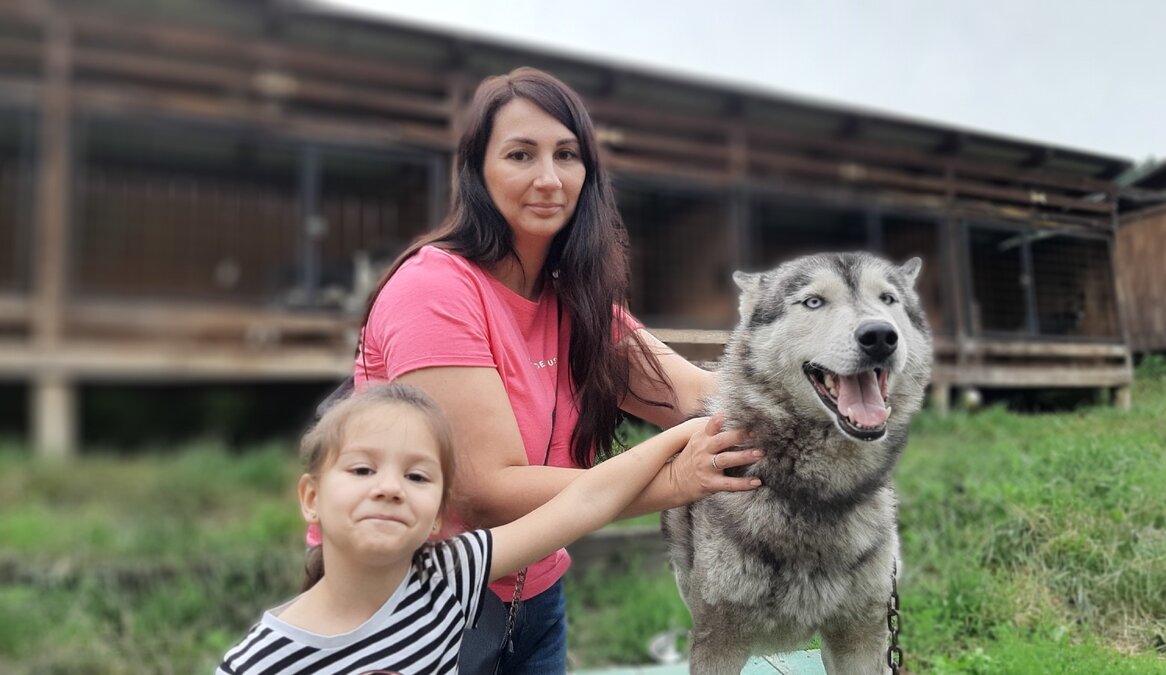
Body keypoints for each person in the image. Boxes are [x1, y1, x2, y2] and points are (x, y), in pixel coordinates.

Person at [341, 67, 762, 672]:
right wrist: (675, 481)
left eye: (567, 155)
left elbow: (694, 394)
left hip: (533, 593)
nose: (548, 178)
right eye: (520, 154)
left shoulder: (574, 296)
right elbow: (485, 491)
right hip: (416, 599)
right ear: (476, 172)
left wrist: (813, 406)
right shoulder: (434, 289)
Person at [218, 383, 760, 674]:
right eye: (362, 469)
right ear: (311, 499)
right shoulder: (262, 661)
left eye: (416, 475)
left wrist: (682, 438)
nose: (389, 487)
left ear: (437, 516)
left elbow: (584, 500)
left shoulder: (448, 575)